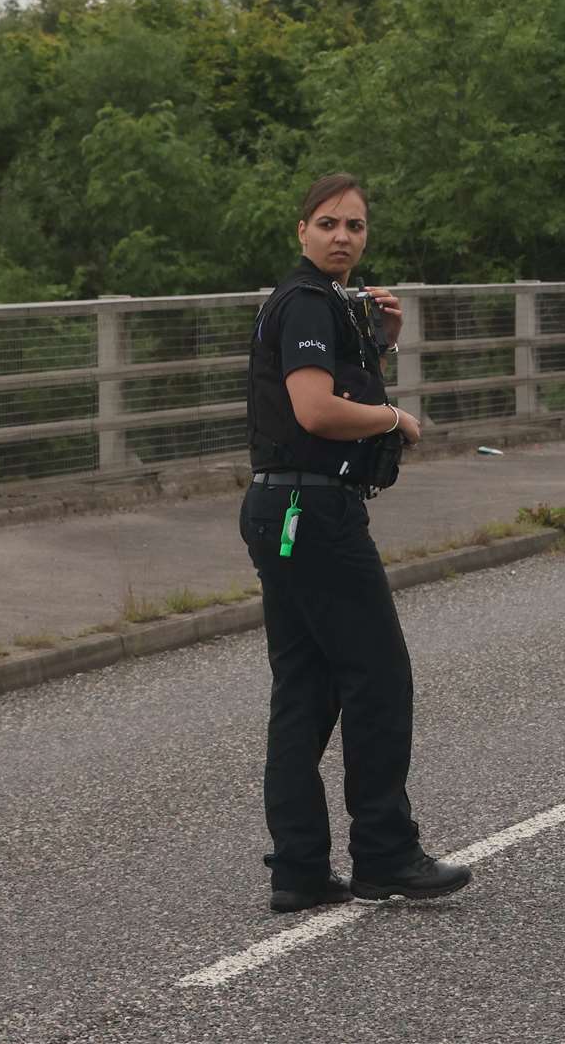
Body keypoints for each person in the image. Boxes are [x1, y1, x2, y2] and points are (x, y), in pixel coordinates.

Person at [242, 172, 471, 912]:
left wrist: (380, 342)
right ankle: (385, 853)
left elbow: (328, 383)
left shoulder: (326, 305)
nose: (343, 237)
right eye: (328, 224)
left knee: (306, 690)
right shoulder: (308, 300)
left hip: (283, 511)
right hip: (312, 514)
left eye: (356, 226)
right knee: (379, 678)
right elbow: (314, 409)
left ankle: (301, 870)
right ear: (300, 231)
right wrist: (393, 419)